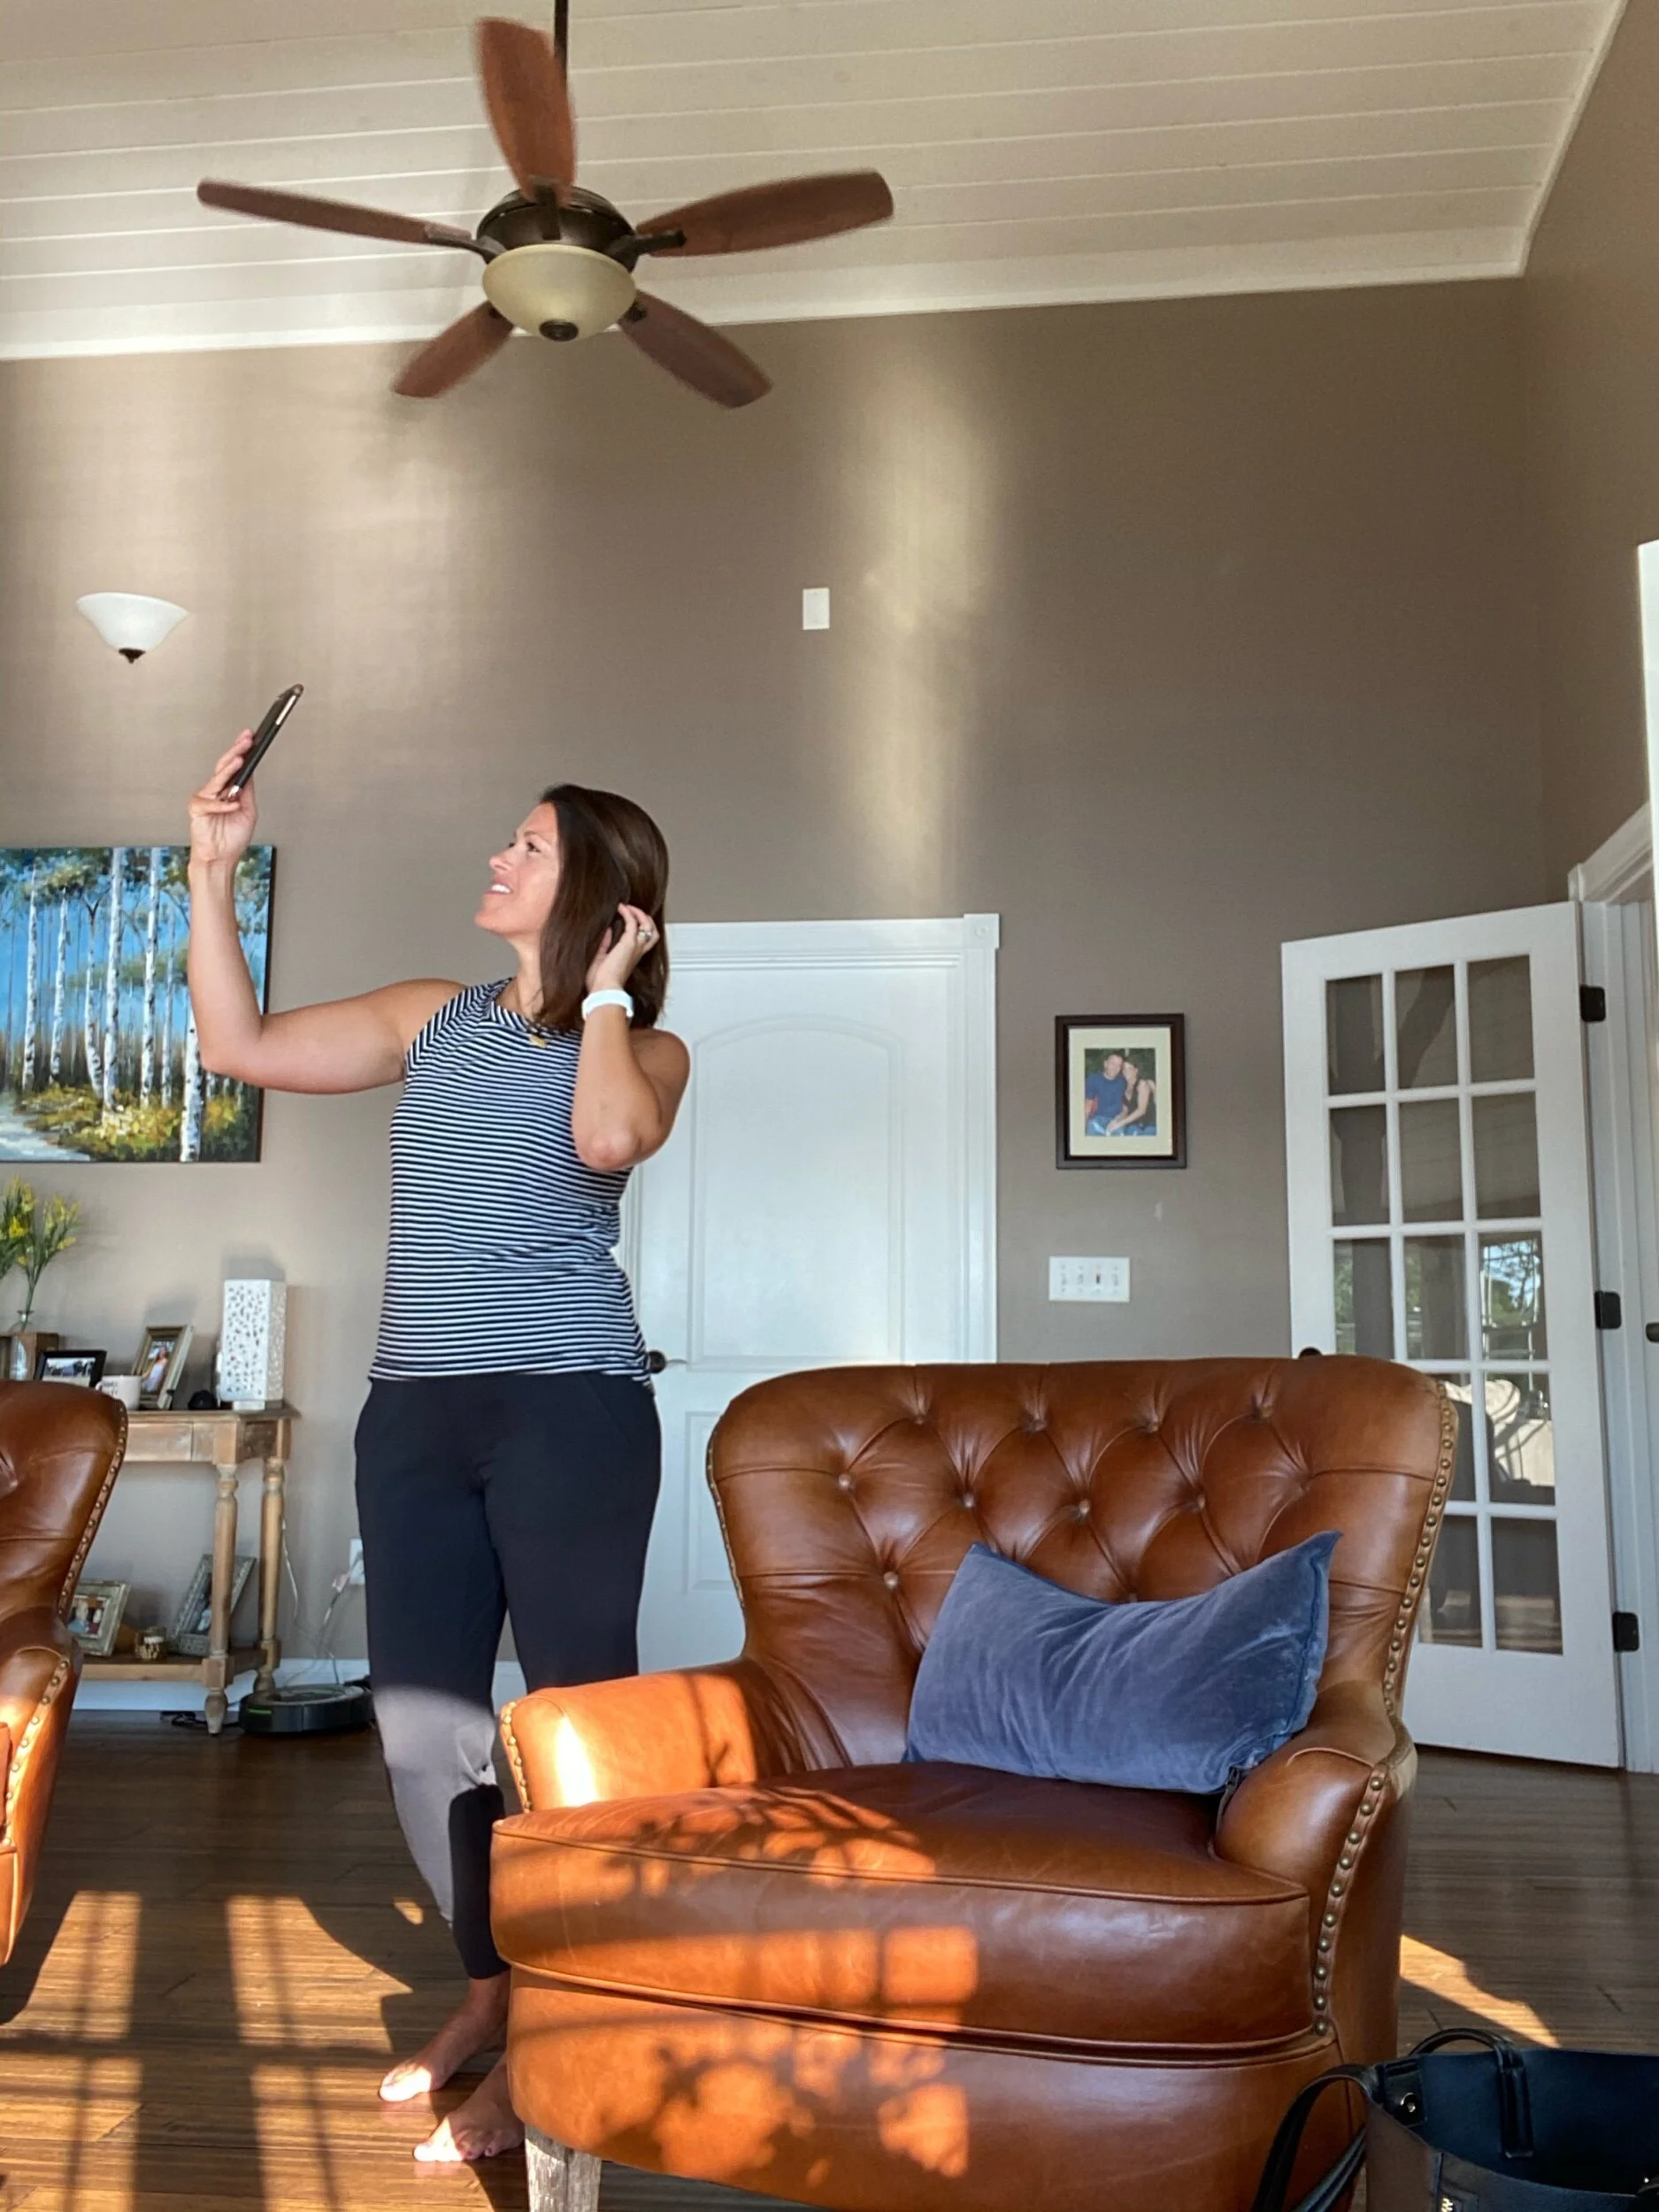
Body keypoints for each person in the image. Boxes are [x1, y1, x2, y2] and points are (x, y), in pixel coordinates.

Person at [186, 733, 689, 2165]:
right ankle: (497, 1995)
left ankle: (570, 2032)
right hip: (416, 1411)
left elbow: (604, 1143)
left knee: (577, 1724)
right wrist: (213, 873)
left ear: (595, 890)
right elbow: (241, 1049)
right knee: (424, 1733)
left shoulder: (646, 1046)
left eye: (525, 847)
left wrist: (599, 993)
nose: (496, 859)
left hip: (572, 1410)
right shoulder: (429, 1017)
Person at [1106, 1052, 1157, 1139]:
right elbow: (1125, 1111)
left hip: (1149, 1125)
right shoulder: (1124, 1087)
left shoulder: (1142, 1084)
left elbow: (1141, 1110)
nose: (1127, 1072)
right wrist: (1115, 1121)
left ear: (1136, 1070)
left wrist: (1121, 1123)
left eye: (1130, 1068)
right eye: (1124, 1069)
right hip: (1134, 1125)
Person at [1084, 1049, 1127, 1136]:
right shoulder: (1093, 1079)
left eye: (1119, 1066)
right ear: (1105, 1064)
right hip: (1097, 1119)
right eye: (1112, 1064)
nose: (1115, 1068)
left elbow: (1124, 1107)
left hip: (1116, 1120)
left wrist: (1119, 1120)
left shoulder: (1122, 1082)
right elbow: (1087, 1106)